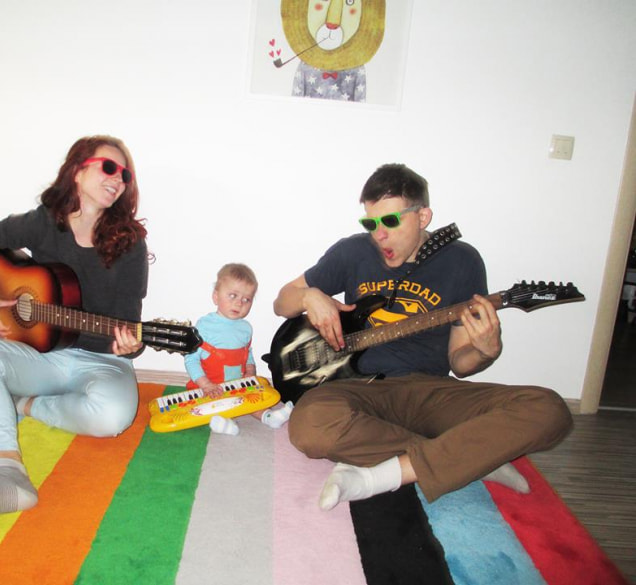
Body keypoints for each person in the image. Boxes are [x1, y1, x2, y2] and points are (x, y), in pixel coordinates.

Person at [272, 163, 573, 510]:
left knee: (549, 410)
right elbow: (282, 302)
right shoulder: (352, 252)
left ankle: (383, 475)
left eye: (390, 221)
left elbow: (460, 363)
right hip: (356, 389)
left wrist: (485, 351)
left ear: (423, 216)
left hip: (428, 392)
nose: (378, 235)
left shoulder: (462, 261)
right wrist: (309, 296)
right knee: (308, 425)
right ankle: (470, 459)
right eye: (371, 223)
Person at [0, 135, 149, 520]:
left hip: (102, 360)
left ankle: (21, 404)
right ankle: (7, 474)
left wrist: (129, 345)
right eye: (108, 167)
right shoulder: (43, 223)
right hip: (43, 356)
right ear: (77, 171)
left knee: (113, 419)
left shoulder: (130, 243)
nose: (118, 179)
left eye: (125, 174)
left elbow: (127, 322)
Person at [184, 263, 294, 436]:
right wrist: (205, 385)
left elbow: (247, 352)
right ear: (216, 297)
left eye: (246, 299)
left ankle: (268, 417)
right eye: (233, 295)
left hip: (236, 386)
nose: (239, 303)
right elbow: (191, 359)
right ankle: (223, 423)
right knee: (204, 407)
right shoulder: (204, 326)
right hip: (208, 388)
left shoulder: (246, 328)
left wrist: (250, 370)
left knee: (255, 398)